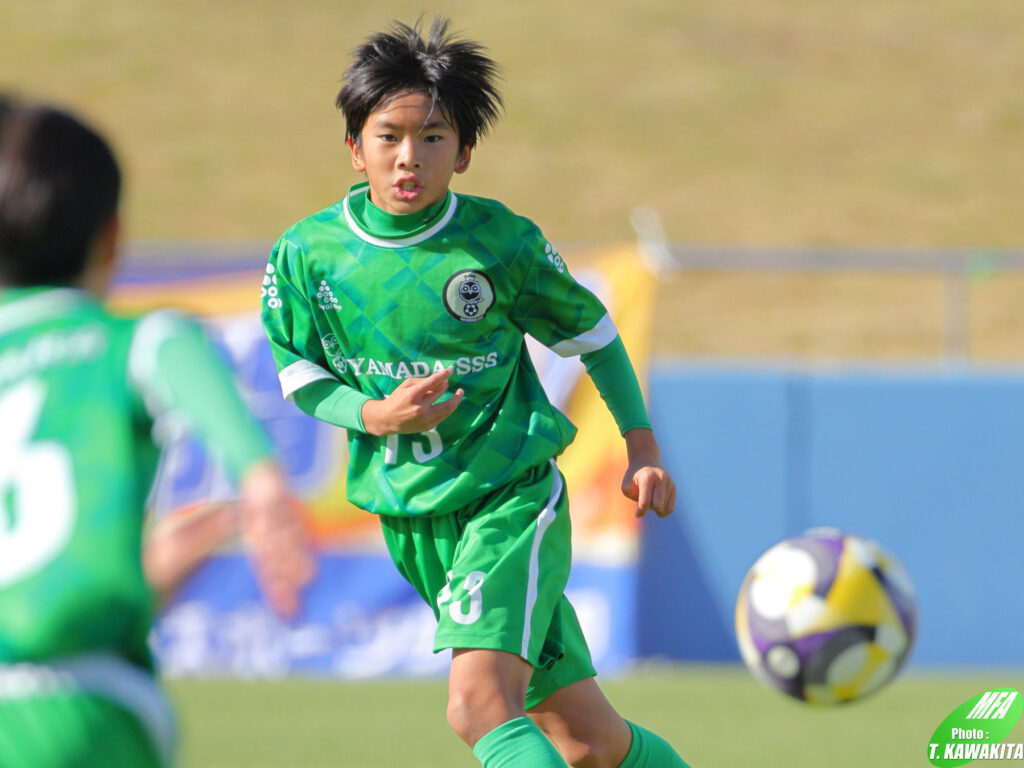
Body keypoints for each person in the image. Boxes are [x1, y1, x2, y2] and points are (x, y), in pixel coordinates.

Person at [260, 17, 691, 768]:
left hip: (508, 502)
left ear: (463, 152)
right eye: (390, 136)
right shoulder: (308, 253)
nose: (409, 156)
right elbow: (299, 373)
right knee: (587, 743)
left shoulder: (500, 243)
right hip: (414, 518)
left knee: (478, 706)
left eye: (432, 138)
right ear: (355, 146)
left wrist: (641, 443)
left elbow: (593, 336)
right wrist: (372, 413)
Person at [0, 94, 314, 768]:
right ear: (113, 237)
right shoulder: (117, 344)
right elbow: (171, 343)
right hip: (80, 709)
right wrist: (260, 476)